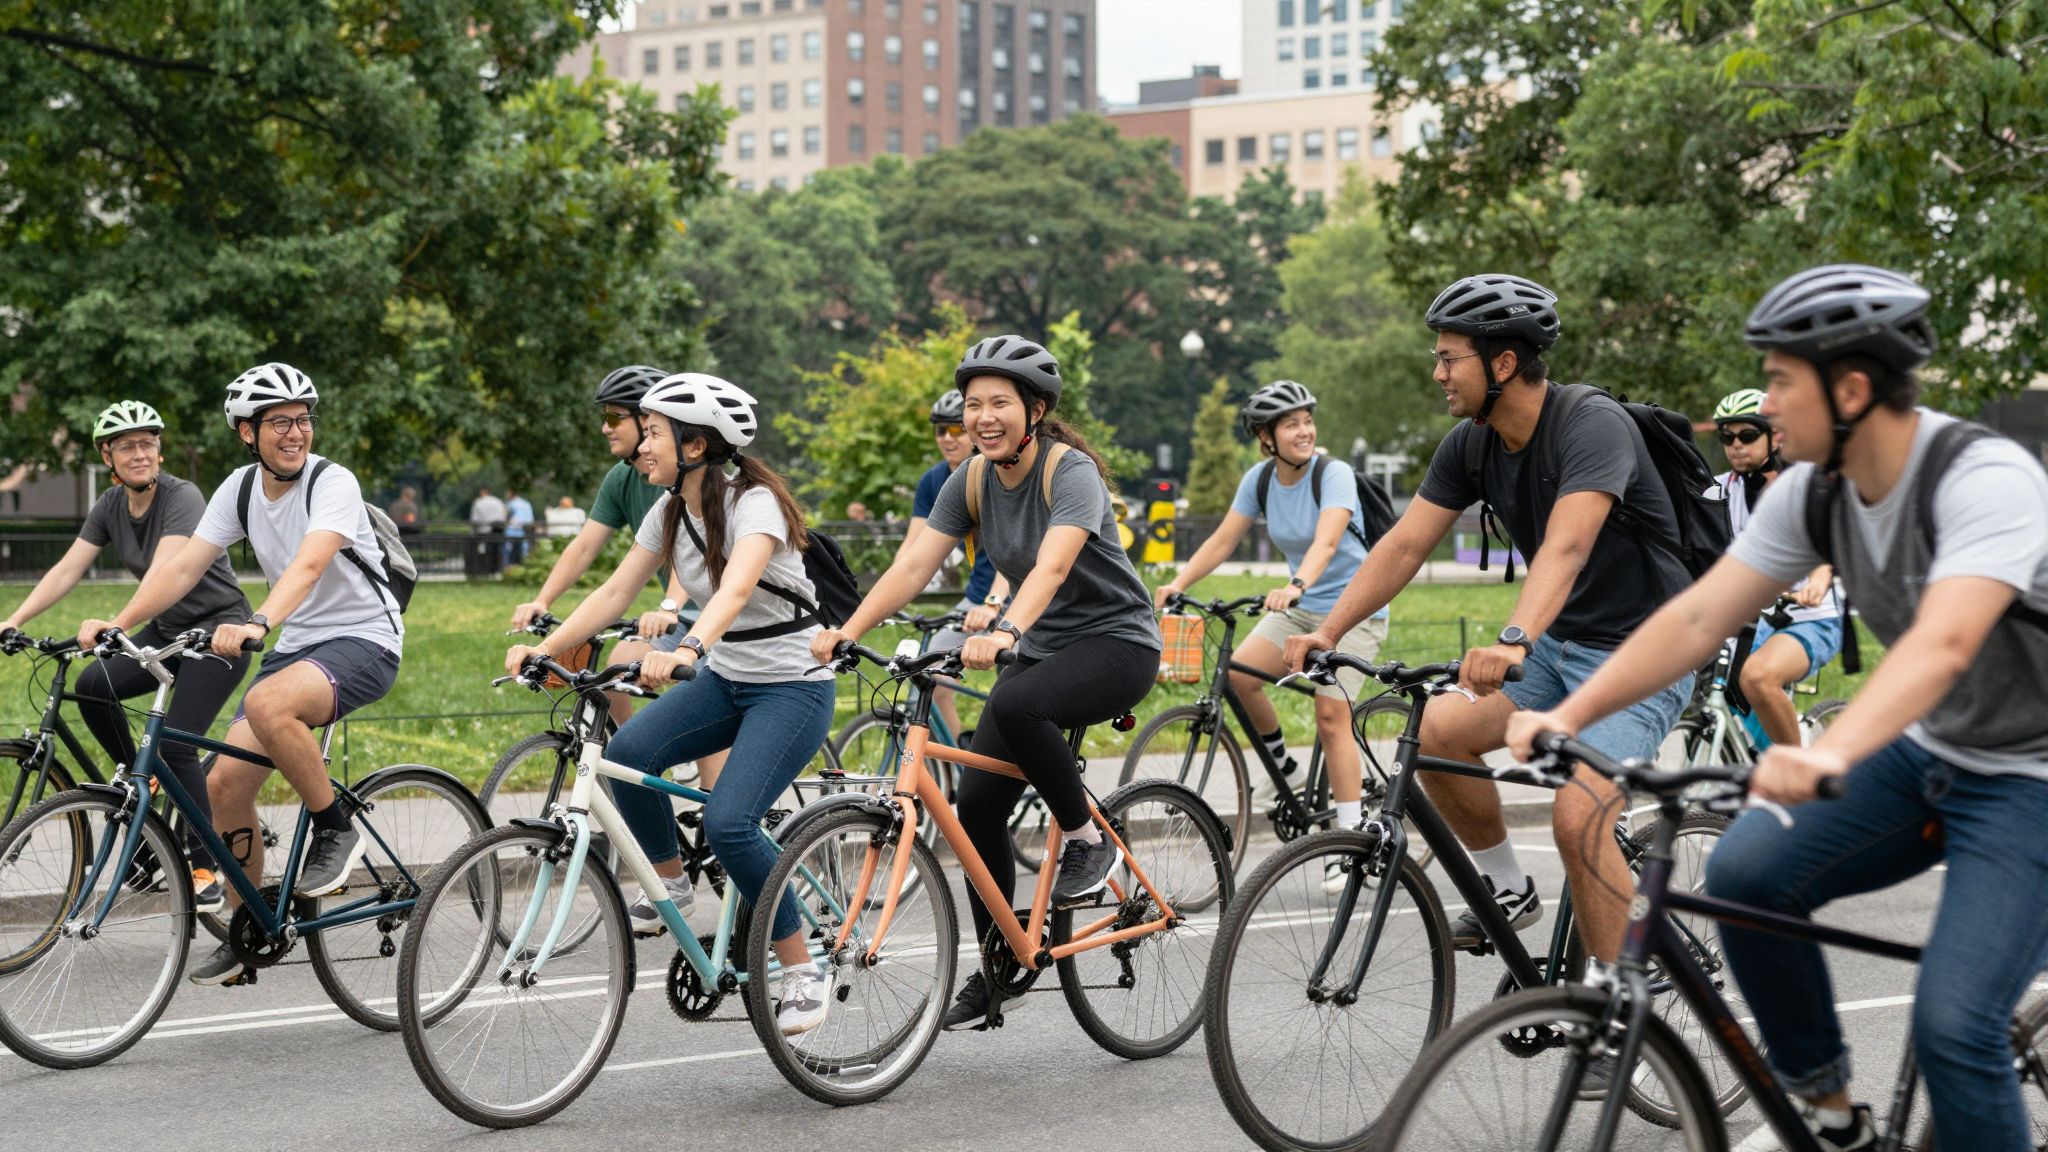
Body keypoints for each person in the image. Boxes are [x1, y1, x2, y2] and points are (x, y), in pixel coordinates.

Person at [1506, 264, 2048, 1152]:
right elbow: (1694, 615)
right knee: (1748, 879)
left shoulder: (1981, 477)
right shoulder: (1815, 488)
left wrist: (1832, 753)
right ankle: (1833, 1117)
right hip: (1934, 748)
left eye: (1782, 382)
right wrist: (1572, 712)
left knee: (1957, 1027)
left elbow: (1945, 642)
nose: (1756, 409)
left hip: (2032, 773)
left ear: (1855, 388)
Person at [1281, 273, 1692, 967]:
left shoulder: (1591, 425)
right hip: (1562, 647)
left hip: (1643, 653)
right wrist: (1328, 628)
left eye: (1450, 358)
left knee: (1577, 814)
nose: (1437, 372)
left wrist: (1512, 638)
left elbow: (1566, 546)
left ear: (1503, 364)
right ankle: (1507, 887)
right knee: (1439, 731)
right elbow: (1406, 543)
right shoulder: (1472, 442)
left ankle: (1618, 1012)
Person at [814, 335, 1162, 1033]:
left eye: (1000, 402)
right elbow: (914, 565)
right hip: (1043, 648)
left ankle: (1085, 837)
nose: (983, 417)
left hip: (1117, 643)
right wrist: (848, 630)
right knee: (976, 807)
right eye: (974, 405)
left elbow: (1054, 567)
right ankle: (1003, 964)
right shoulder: (971, 479)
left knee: (1015, 699)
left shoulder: (1071, 473)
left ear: (1034, 409)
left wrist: (1005, 630)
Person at [505, 372, 839, 1037]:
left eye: (652, 432)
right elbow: (614, 593)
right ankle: (671, 884)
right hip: (729, 677)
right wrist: (553, 649)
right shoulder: (669, 510)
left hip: (792, 686)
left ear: (696, 442)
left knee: (731, 822)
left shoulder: (756, 503)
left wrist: (690, 648)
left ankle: (802, 968)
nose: (640, 445)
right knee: (630, 753)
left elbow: (737, 587)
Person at [78, 363, 405, 986]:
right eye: (278, 422)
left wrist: (257, 620)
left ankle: (337, 831)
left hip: (365, 640)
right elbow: (182, 568)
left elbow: (310, 564)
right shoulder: (238, 489)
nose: (295, 432)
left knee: (268, 704)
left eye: (302, 419)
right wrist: (118, 623)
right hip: (301, 645)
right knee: (224, 785)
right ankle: (249, 924)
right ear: (246, 433)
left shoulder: (331, 481)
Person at [1, 401, 252, 913]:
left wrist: (118, 623)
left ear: (159, 450)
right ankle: (139, 788)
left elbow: (167, 569)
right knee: (94, 687)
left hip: (215, 633)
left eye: (147, 443)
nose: (140, 454)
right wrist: (14, 620)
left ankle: (203, 866)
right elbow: (68, 568)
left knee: (176, 744)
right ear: (107, 455)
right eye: (127, 445)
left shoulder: (182, 496)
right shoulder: (111, 505)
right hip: (166, 630)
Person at [1155, 380, 1388, 888]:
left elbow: (1328, 539)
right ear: (1266, 435)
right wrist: (1177, 583)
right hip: (1300, 609)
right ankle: (1288, 771)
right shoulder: (1260, 480)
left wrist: (1297, 582)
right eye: (1291, 423)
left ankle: (1349, 845)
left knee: (1331, 713)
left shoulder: (1335, 474)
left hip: (1353, 611)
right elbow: (1222, 539)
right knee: (1238, 674)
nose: (1304, 430)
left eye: (1307, 420)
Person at [508, 366, 707, 744]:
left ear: (647, 419)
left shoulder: (687, 480)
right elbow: (585, 548)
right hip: (681, 618)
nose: (605, 427)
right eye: (604, 417)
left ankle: (707, 792)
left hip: (714, 620)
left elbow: (693, 551)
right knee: (617, 670)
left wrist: (669, 605)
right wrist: (542, 600)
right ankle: (625, 760)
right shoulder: (624, 479)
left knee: (695, 703)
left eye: (615, 416)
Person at [1709, 387, 1841, 748]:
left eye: (1747, 435)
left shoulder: (1804, 486)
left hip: (1808, 618)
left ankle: (1796, 769)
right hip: (1748, 622)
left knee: (1758, 677)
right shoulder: (1719, 491)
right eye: (1727, 436)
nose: (1736, 444)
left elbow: (1827, 547)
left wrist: (1818, 578)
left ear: (1774, 437)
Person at [903, 388, 1011, 741]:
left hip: (1012, 597)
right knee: (926, 679)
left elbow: (1015, 553)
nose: (948, 439)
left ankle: (1012, 761)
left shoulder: (995, 473)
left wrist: (992, 605)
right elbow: (912, 550)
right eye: (940, 431)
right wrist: (881, 602)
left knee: (1013, 694)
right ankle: (956, 771)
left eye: (956, 430)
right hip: (975, 600)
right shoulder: (934, 480)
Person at [504, 489, 535, 564]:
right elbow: (530, 519)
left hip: (512, 531)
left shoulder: (511, 504)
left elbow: (506, 517)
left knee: (510, 554)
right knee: (522, 554)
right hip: (524, 532)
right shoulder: (526, 503)